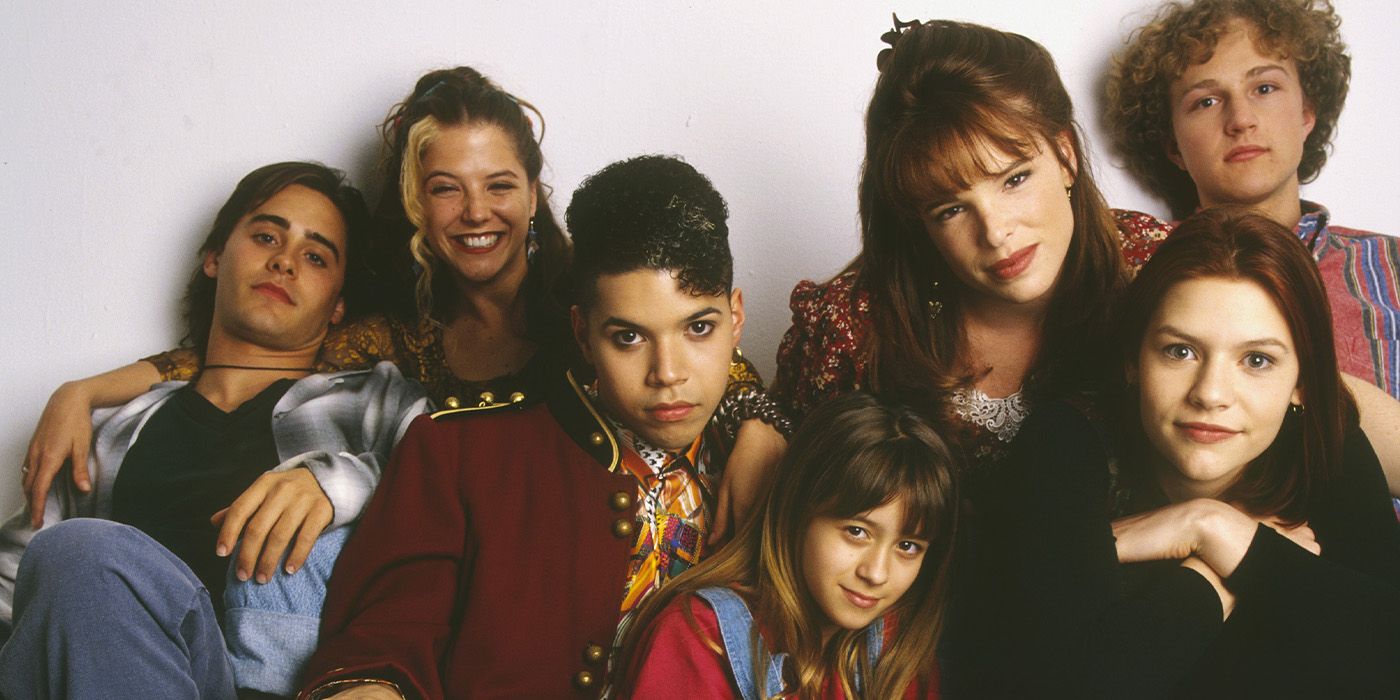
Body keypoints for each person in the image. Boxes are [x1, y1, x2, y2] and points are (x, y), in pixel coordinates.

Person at [21, 66, 788, 542]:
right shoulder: (390, 341)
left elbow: (705, 358)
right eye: (445, 188)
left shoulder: (582, 298)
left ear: (533, 194)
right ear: (415, 203)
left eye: (499, 186)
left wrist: (758, 430)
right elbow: (250, 356)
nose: (476, 212)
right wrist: (84, 391)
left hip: (599, 545)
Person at [298, 155, 750, 698]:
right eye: (628, 337)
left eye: (699, 328)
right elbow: (384, 643)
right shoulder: (461, 452)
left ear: (737, 318)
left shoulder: (776, 467)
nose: (668, 375)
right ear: (582, 334)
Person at [0, 162, 429, 699]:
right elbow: (16, 581)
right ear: (214, 258)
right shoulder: (108, 429)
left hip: (281, 683)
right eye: (267, 236)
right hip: (119, 663)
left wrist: (335, 481)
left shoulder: (375, 403)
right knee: (79, 553)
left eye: (315, 256)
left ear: (339, 304)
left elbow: (449, 493)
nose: (284, 261)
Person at [980, 208, 1400, 697]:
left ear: (1301, 383)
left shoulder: (1326, 445)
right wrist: (1209, 573)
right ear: (1132, 361)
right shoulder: (1065, 440)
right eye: (1180, 351)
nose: (1210, 393)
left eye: (1257, 360)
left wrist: (1215, 530)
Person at [773, 18, 1160, 472]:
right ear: (918, 222)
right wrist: (756, 422)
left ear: (1066, 155)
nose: (994, 233)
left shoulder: (1157, 269)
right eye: (950, 210)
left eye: (1014, 180)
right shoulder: (855, 333)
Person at [1106, 0, 1400, 398]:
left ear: (1306, 114)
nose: (1241, 119)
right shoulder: (1128, 265)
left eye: (1264, 88)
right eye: (1205, 101)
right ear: (1173, 145)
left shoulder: (1391, 266)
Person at [614, 392, 958, 699]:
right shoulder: (699, 636)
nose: (877, 573)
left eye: (908, 546)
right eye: (856, 531)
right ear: (797, 512)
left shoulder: (896, 650)